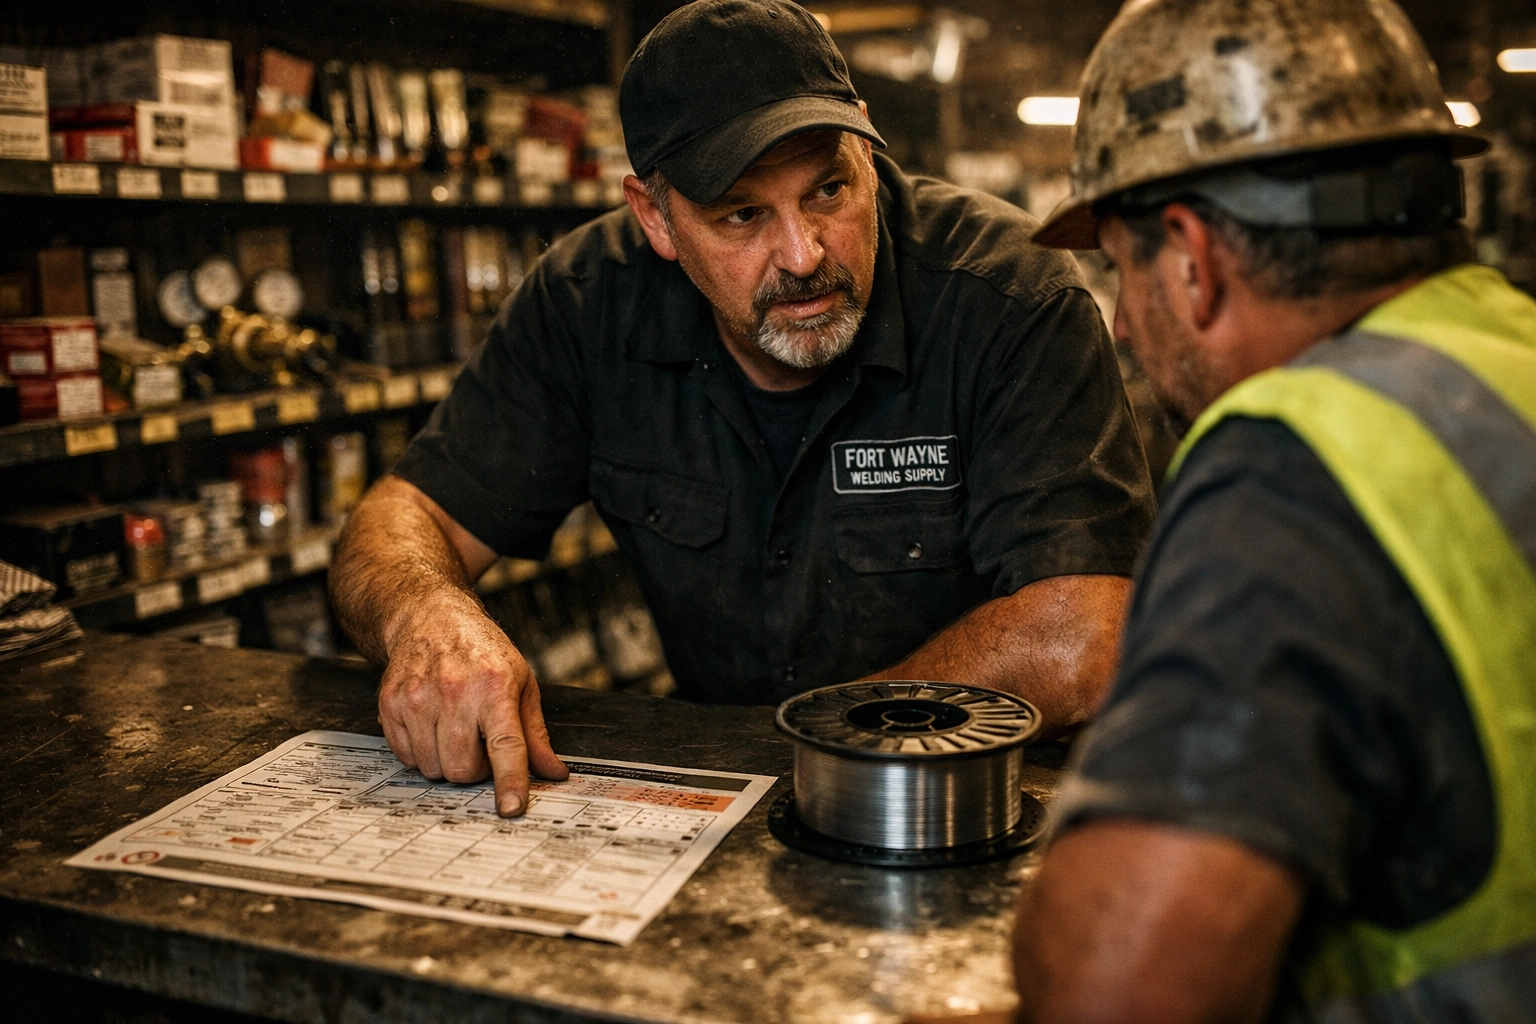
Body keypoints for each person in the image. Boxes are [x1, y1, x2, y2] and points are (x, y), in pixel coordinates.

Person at [329, 0, 1155, 818]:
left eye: (829, 188)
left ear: (868, 146)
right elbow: (404, 515)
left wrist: (815, 744)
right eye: (742, 214)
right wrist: (425, 613)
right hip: (727, 815)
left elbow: (1085, 636)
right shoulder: (588, 304)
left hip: (975, 804)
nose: (803, 255)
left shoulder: (1008, 299)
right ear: (655, 215)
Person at [910, 0, 1535, 1021]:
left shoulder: (1294, 472)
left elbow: (1117, 988)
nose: (1119, 317)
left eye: (1121, 267)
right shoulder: (1511, 358)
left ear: (1193, 258)